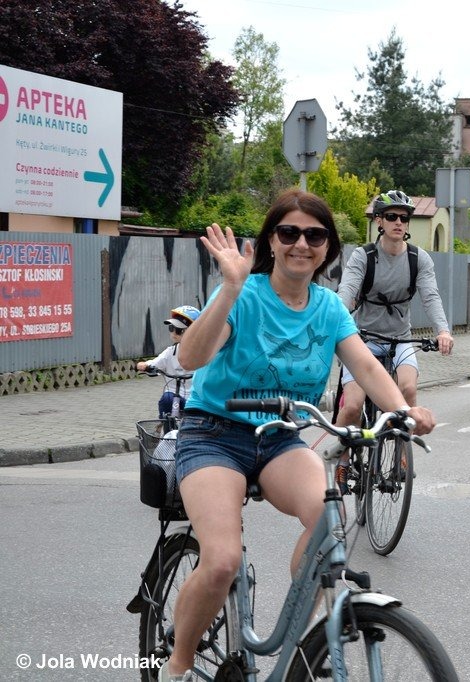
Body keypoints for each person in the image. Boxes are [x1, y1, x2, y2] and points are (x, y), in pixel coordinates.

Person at [161, 189, 436, 682]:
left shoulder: (329, 308)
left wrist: (404, 411)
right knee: (221, 561)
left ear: (328, 247)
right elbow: (190, 359)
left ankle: (302, 637)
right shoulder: (245, 295)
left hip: (280, 439)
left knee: (328, 521)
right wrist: (228, 288)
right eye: (289, 232)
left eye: (315, 235)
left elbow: (368, 367)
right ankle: (178, 665)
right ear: (272, 240)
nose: (301, 244)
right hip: (213, 434)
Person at [335, 190, 454, 431]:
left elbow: (431, 297)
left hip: (400, 338)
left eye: (404, 217)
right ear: (379, 220)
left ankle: (401, 449)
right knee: (352, 406)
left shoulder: (418, 258)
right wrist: (333, 320)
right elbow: (346, 292)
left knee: (408, 390)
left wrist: (443, 331)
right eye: (391, 216)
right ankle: (343, 462)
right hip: (362, 338)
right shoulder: (363, 256)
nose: (398, 222)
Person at [136, 305, 200, 418]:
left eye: (179, 330)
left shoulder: (203, 353)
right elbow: (157, 362)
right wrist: (146, 365)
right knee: (167, 399)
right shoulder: (171, 351)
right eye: (171, 328)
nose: (174, 333)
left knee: (198, 412)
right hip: (173, 392)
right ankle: (164, 425)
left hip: (194, 395)